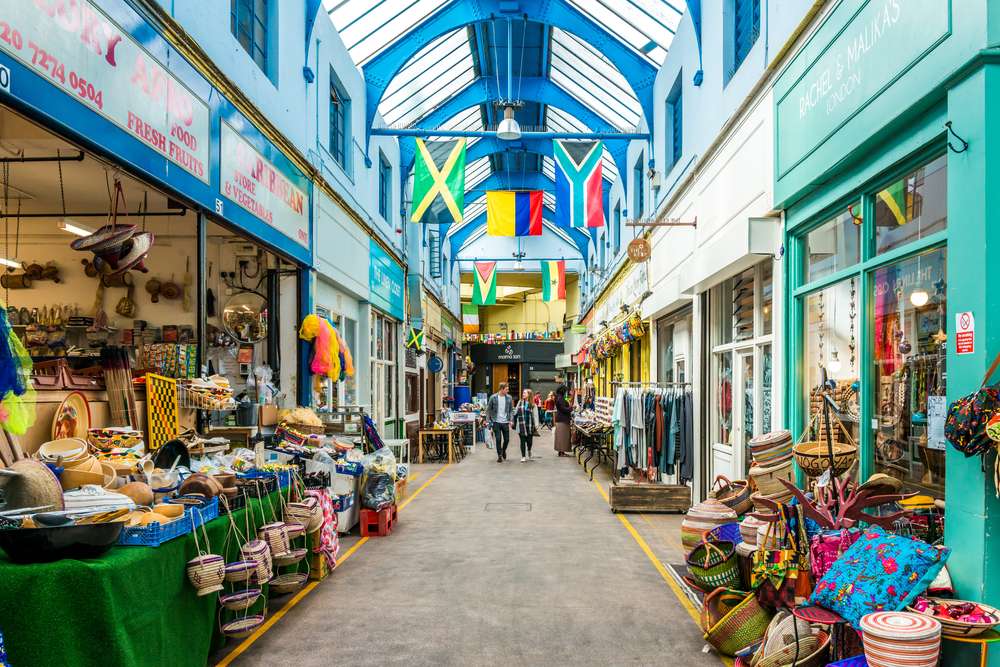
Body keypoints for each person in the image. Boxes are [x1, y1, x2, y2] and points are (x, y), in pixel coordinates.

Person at [486, 382, 513, 462]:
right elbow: (488, 410)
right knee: (498, 439)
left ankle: (503, 450)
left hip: (505, 422)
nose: (508, 391)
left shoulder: (509, 398)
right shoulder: (493, 397)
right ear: (501, 389)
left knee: (507, 439)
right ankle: (499, 456)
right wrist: (487, 421)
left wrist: (511, 420)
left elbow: (511, 410)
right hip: (496, 422)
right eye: (506, 389)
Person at [512, 389, 539, 462]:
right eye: (523, 393)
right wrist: (512, 420)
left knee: (529, 442)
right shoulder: (520, 402)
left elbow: (535, 415)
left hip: (529, 426)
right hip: (521, 425)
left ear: (529, 394)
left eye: (524, 393)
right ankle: (523, 456)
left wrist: (536, 425)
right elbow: (515, 412)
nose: (523, 394)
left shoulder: (533, 405)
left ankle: (529, 450)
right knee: (522, 441)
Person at [553, 385, 573, 456]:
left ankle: (561, 452)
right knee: (563, 437)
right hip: (563, 420)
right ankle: (561, 452)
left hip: (561, 419)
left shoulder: (558, 397)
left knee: (561, 436)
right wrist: (571, 408)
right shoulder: (560, 398)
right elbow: (563, 409)